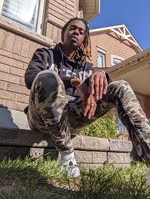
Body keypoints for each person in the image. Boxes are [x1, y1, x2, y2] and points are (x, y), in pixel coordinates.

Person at [24, 17, 150, 179]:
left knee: (121, 86)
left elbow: (104, 88)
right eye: (72, 28)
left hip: (73, 120)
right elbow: (30, 79)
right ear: (64, 34)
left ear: (84, 39)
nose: (76, 32)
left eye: (81, 31)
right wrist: (74, 83)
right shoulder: (46, 54)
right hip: (41, 119)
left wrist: (102, 75)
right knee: (47, 77)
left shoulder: (86, 68)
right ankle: (68, 157)